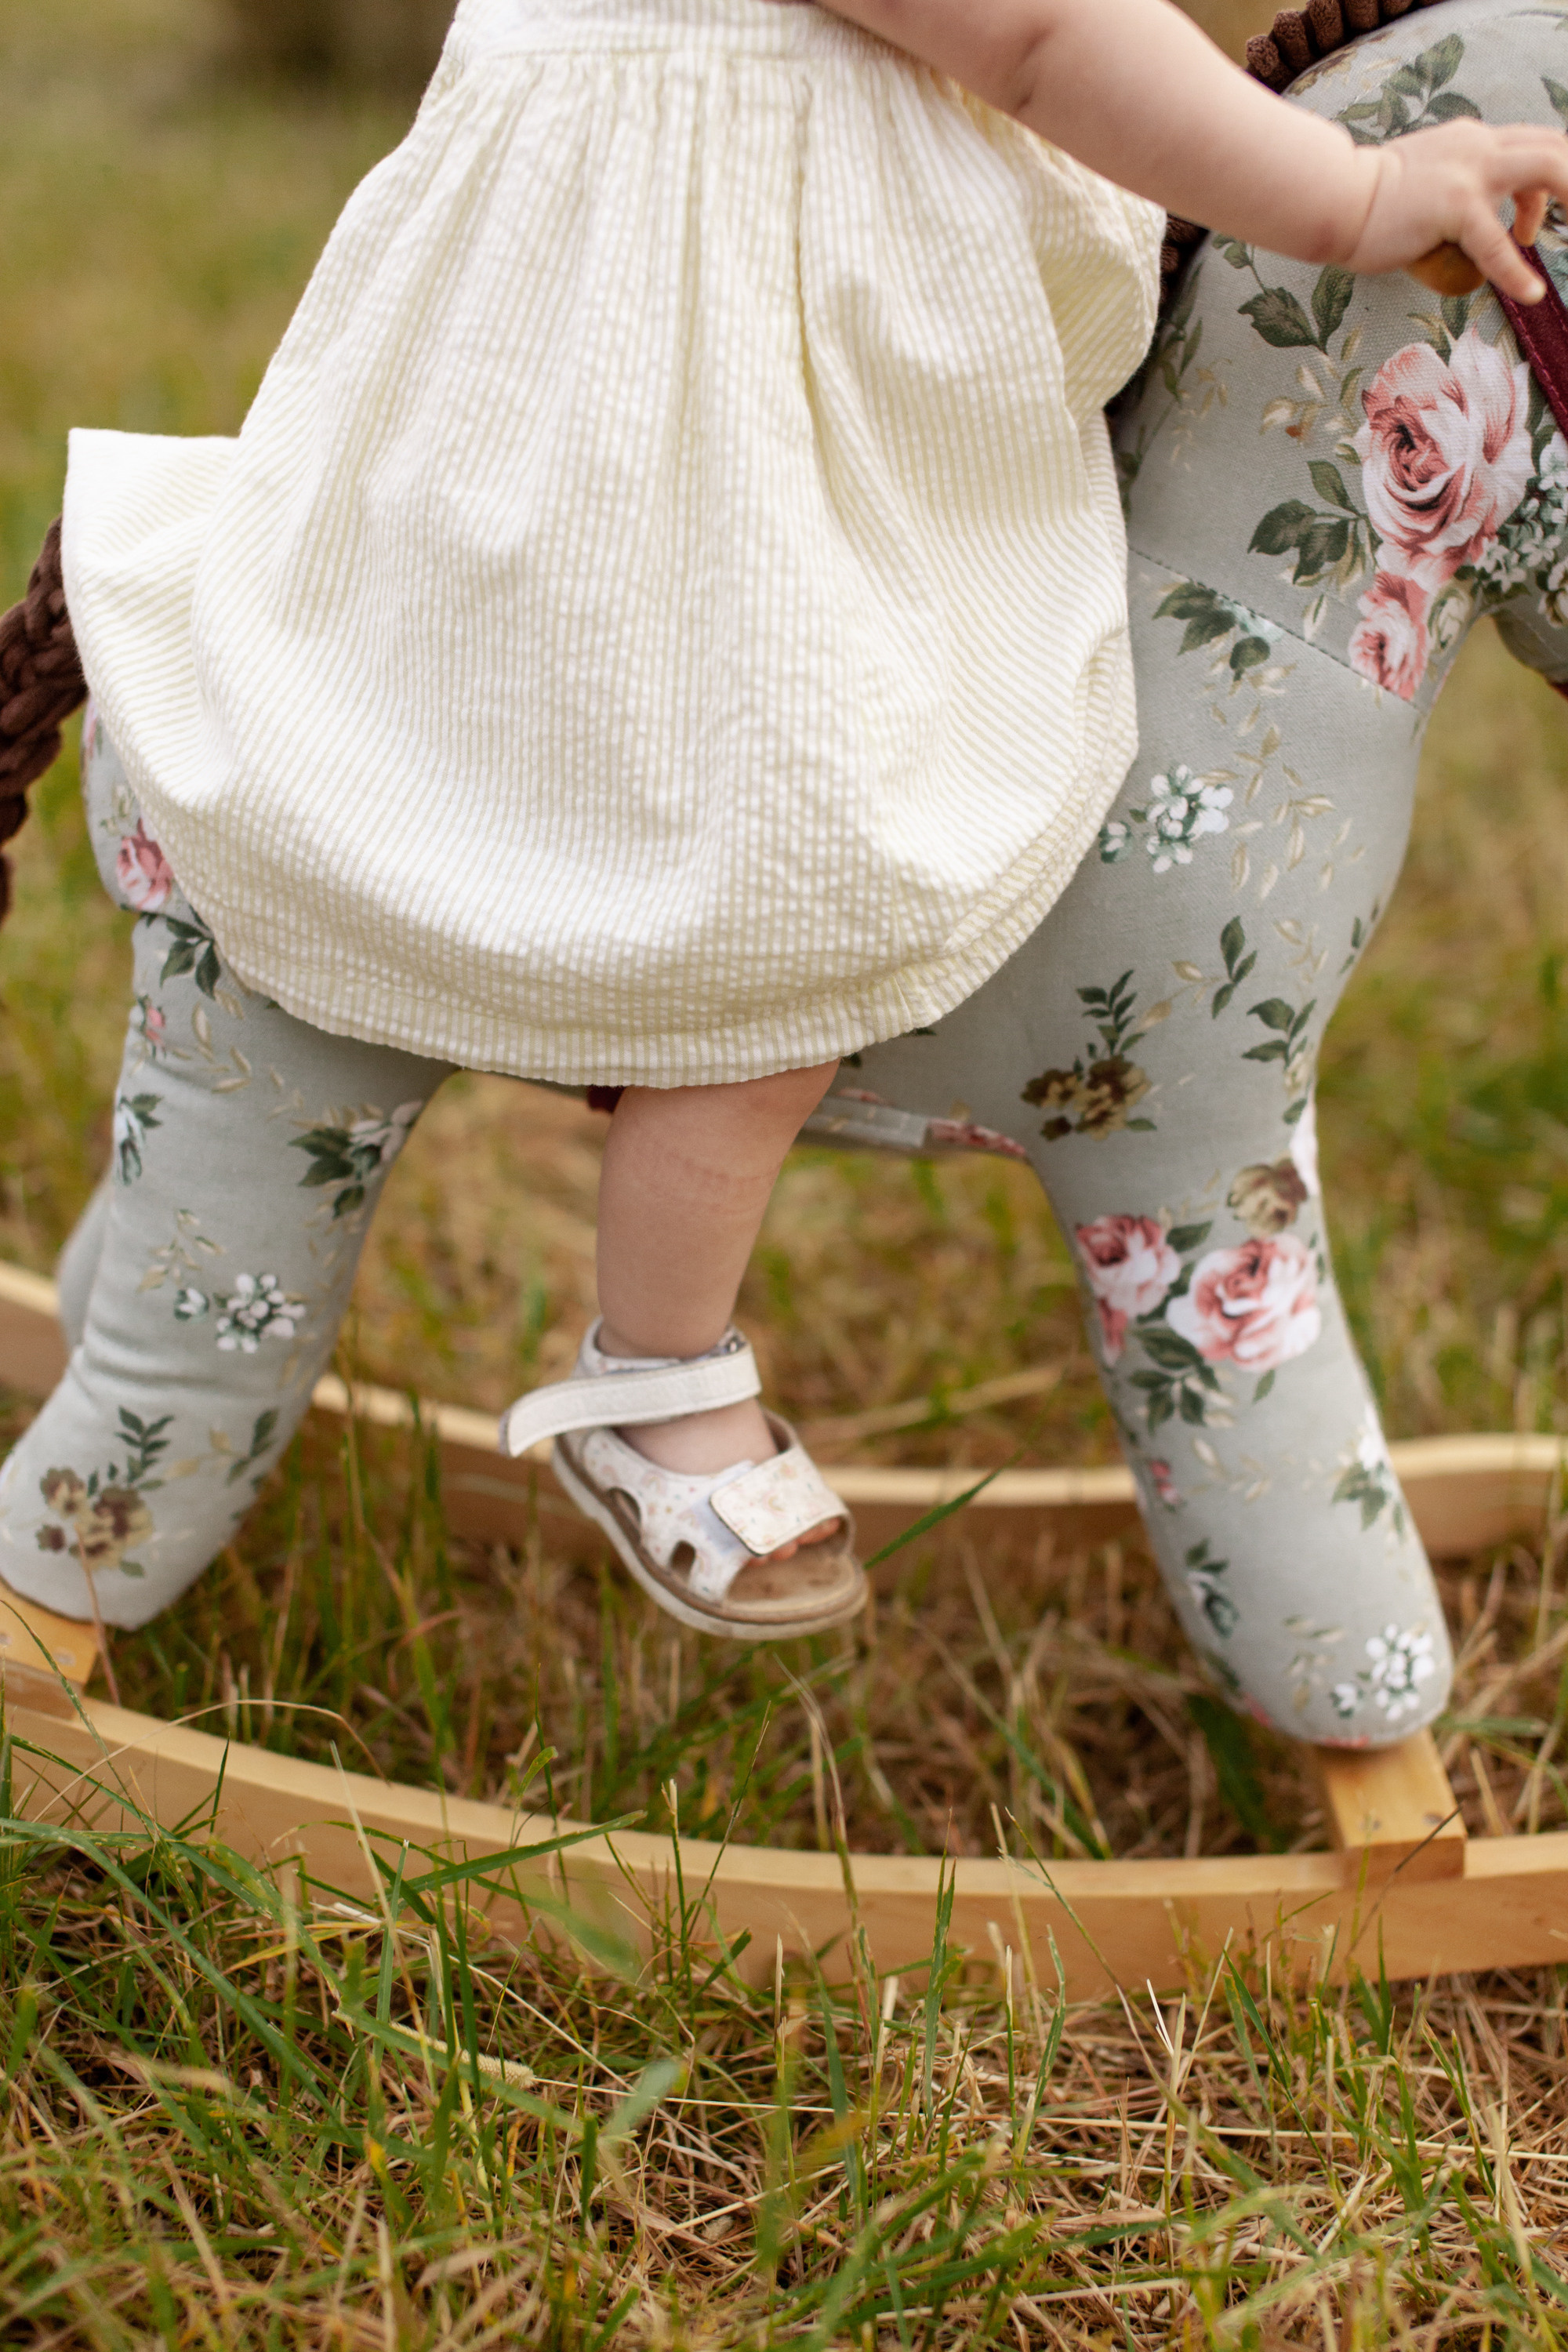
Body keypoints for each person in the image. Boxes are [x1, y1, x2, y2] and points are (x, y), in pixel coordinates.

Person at [25, 0, 1568, 1645]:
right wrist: (1352, 195)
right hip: (691, 419)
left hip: (677, 361)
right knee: (790, 858)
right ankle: (655, 1370)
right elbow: (1046, 39)